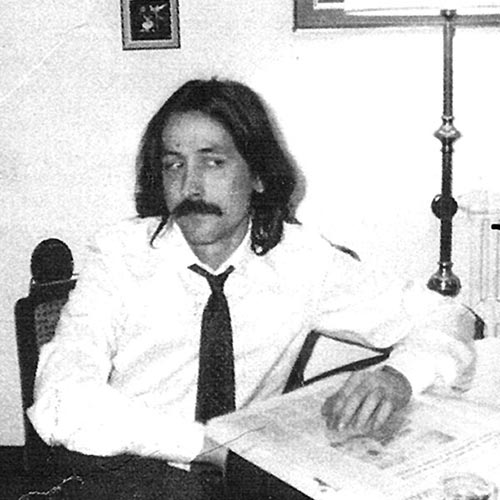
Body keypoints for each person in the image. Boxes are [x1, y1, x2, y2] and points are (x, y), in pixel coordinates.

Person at [27, 78, 476, 500]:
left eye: (213, 162)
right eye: (173, 164)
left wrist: (400, 377)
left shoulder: (301, 260)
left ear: (259, 175)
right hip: (129, 472)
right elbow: (63, 399)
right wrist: (209, 447)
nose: (190, 186)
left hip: (247, 480)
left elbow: (448, 316)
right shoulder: (118, 257)